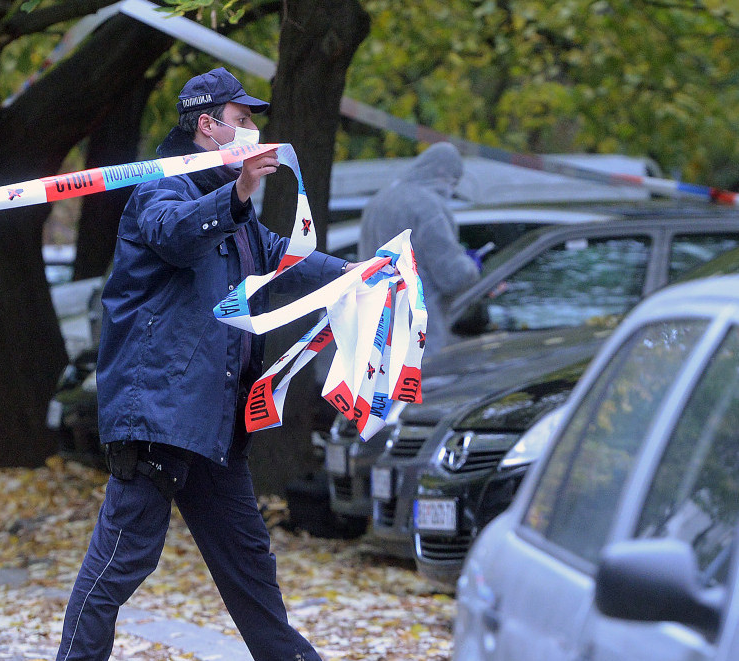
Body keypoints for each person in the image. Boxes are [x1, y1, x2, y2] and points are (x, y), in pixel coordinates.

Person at [56, 67, 349, 661]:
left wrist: (361, 276)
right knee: (122, 560)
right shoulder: (161, 191)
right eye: (243, 121)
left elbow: (285, 261)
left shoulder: (235, 216)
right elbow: (174, 235)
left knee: (249, 567)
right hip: (159, 416)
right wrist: (237, 192)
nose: (253, 133)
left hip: (211, 422)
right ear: (208, 125)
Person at [357, 142, 480, 355]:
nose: (452, 189)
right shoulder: (428, 206)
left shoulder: (379, 200)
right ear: (442, 172)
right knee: (418, 387)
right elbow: (452, 276)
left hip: (374, 324)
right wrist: (472, 265)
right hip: (419, 330)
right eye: (454, 181)